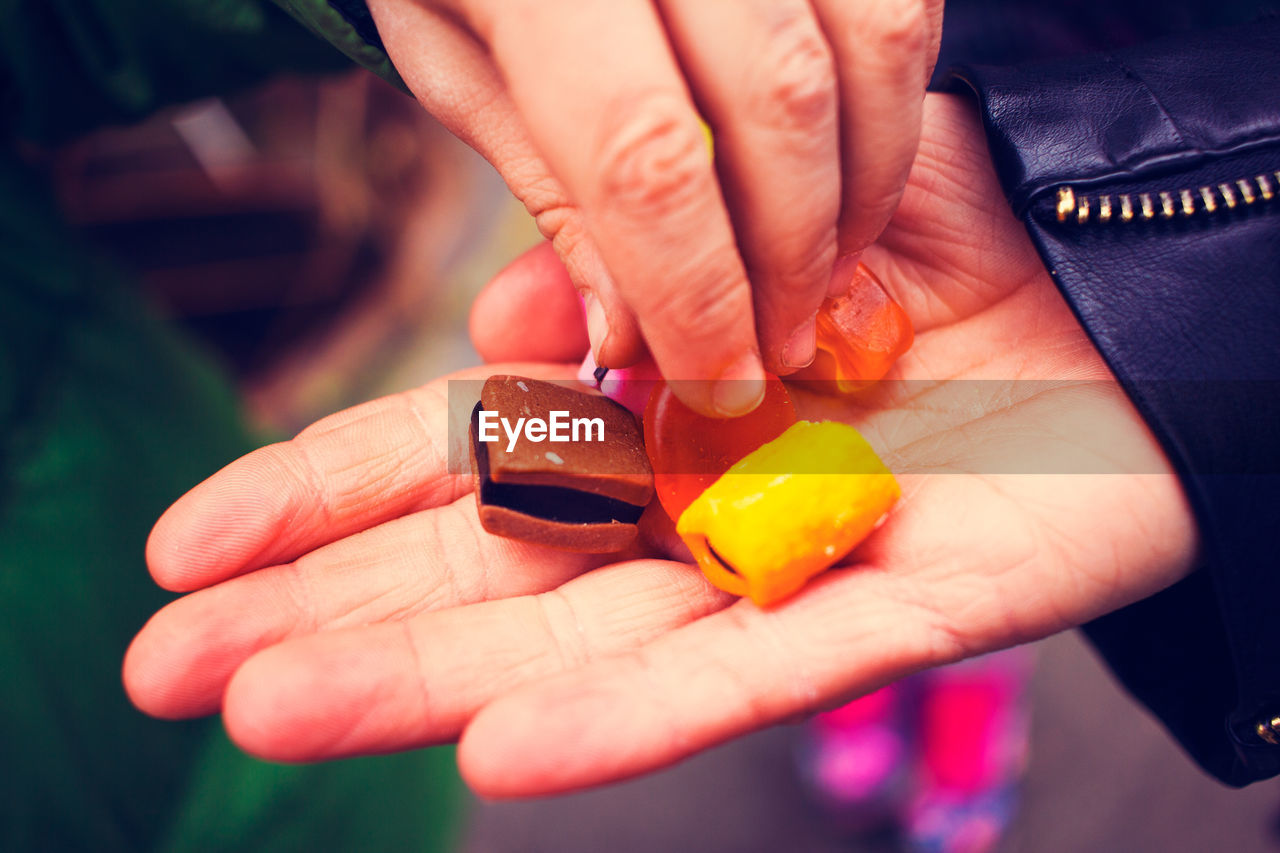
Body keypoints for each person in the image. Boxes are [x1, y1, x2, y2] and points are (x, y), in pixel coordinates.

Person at [123, 0, 1280, 791]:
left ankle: (958, 717)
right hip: (959, 99)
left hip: (1063, 171)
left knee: (960, 603)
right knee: (858, 619)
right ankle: (874, 704)